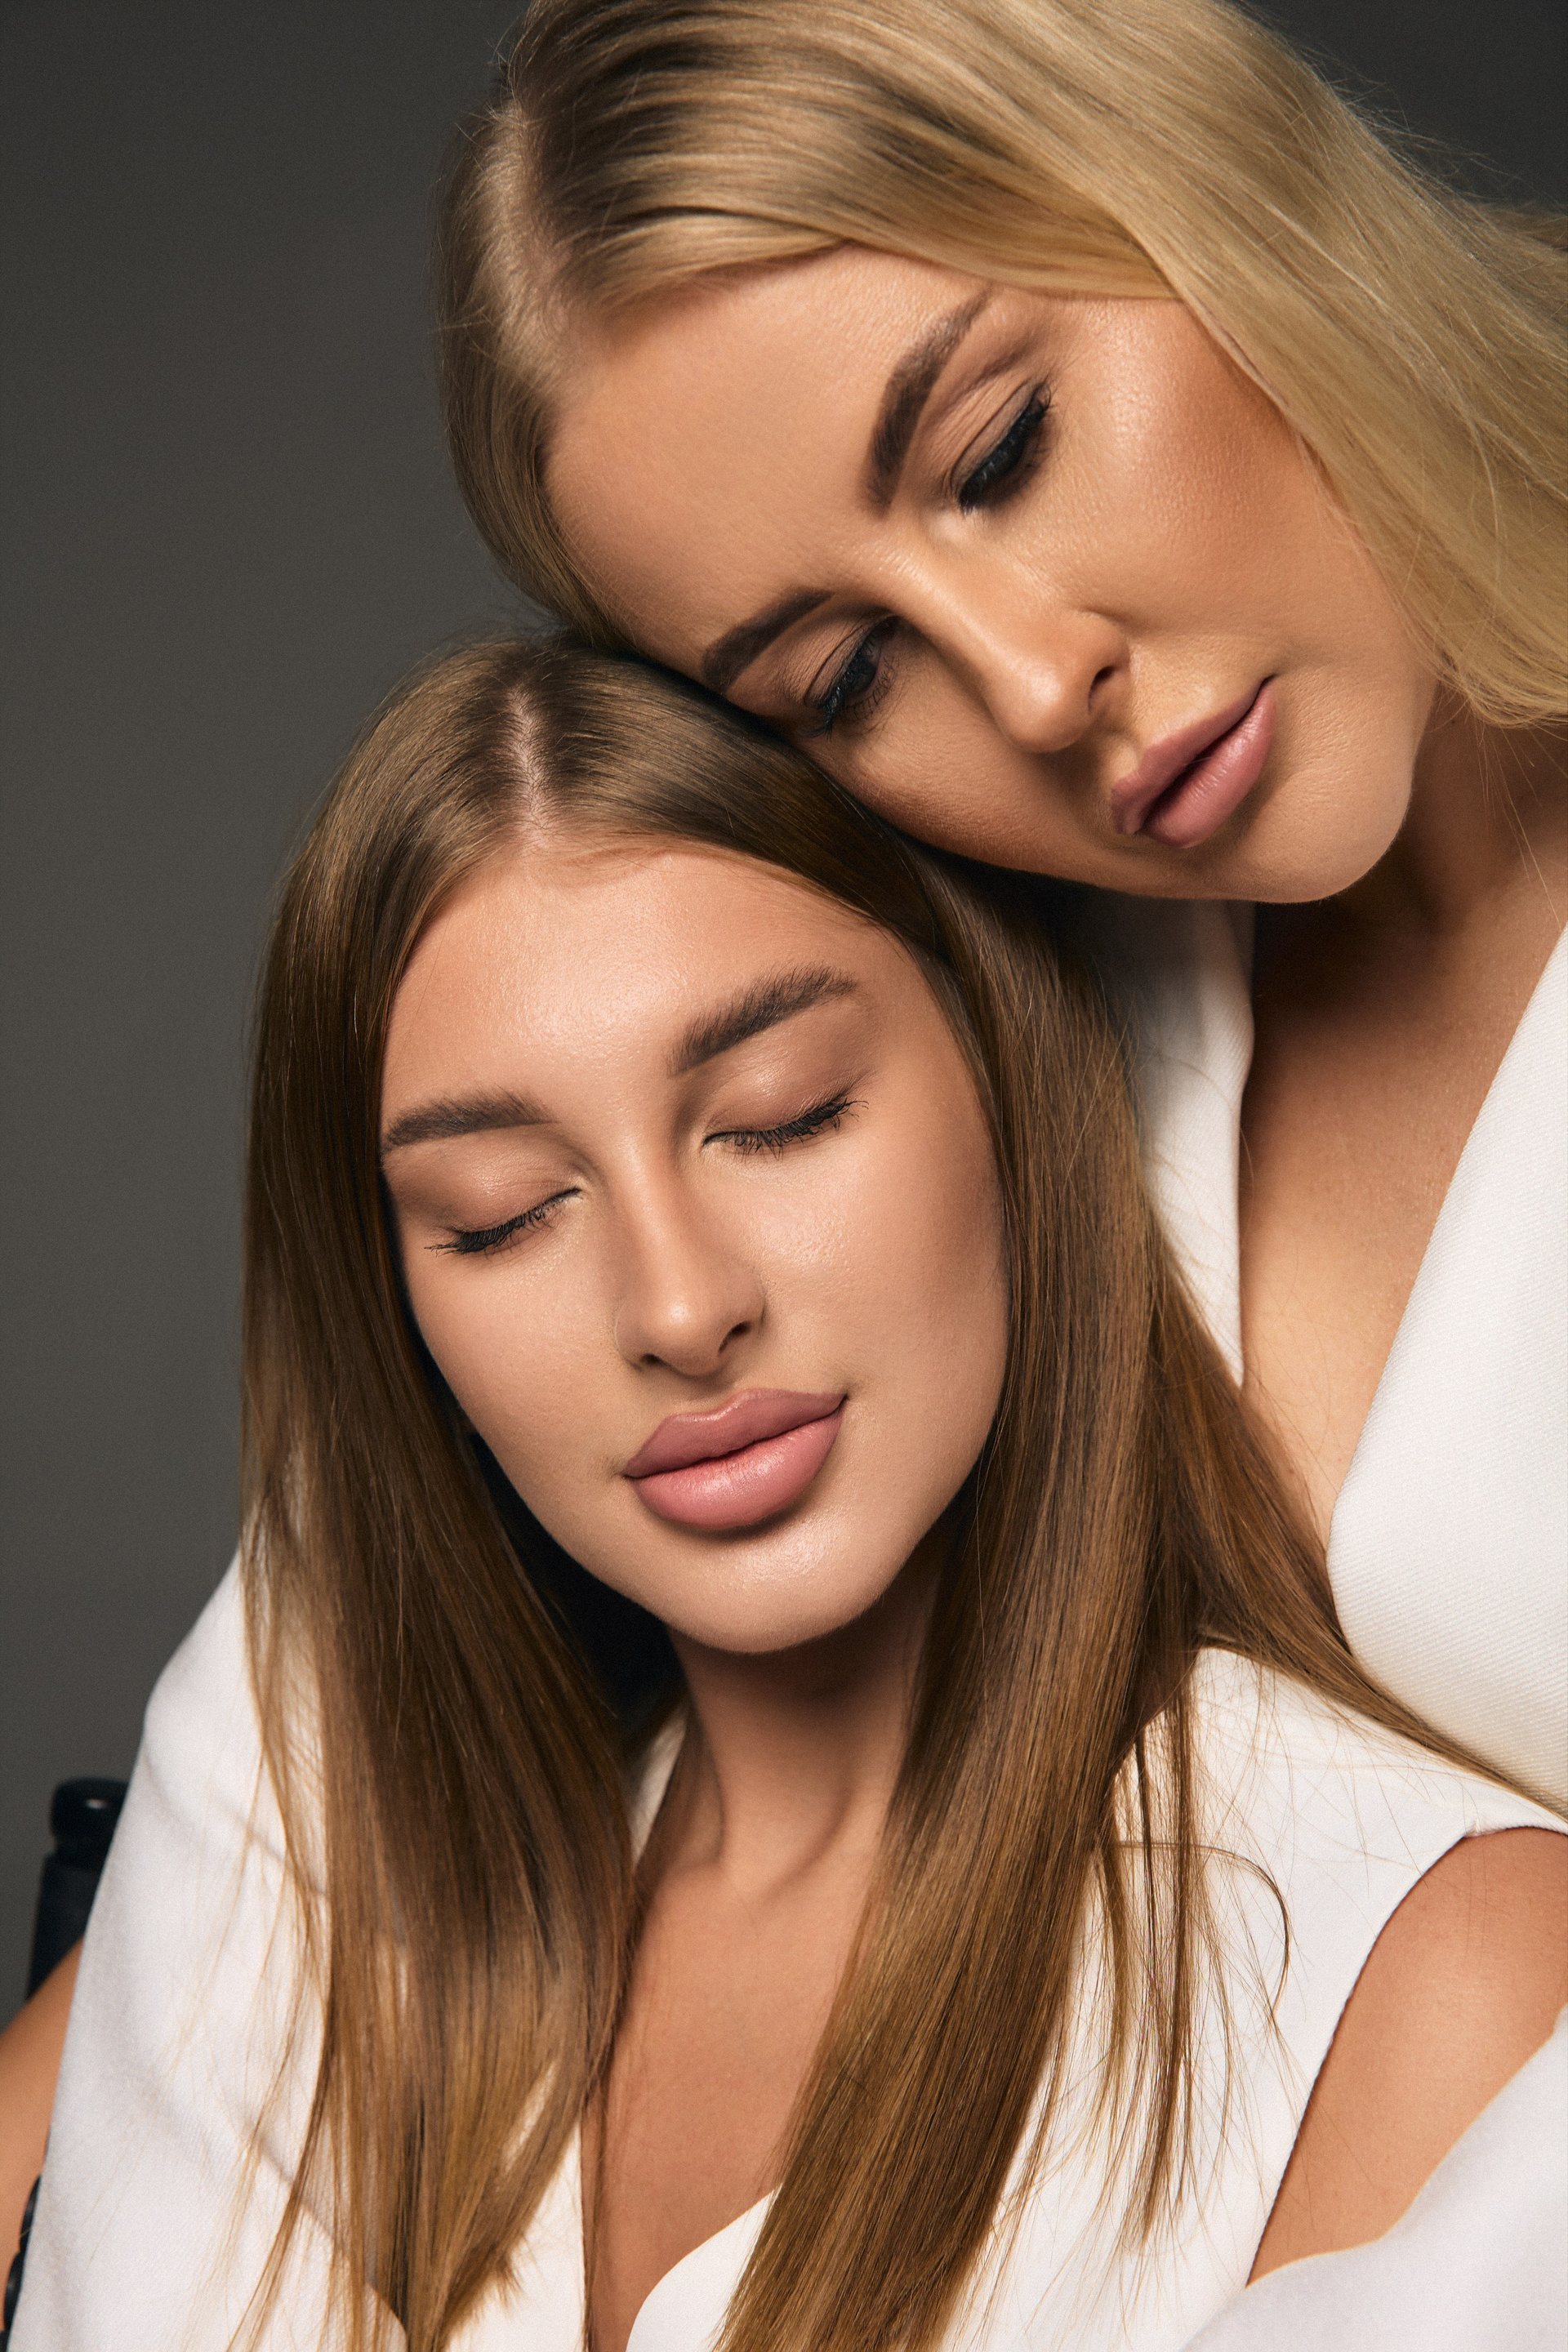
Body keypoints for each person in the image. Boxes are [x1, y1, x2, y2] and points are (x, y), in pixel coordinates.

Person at [9, 640, 1562, 2350]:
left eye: (781, 1116)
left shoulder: (1423, 1971)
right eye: (504, 1213)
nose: (682, 1309)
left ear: (1010, 1079)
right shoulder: (301, 1913)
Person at [435, 0, 1567, 1809]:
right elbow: (331, 1698)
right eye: (846, 676)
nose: (1036, 689)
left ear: (1201, 171)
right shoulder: (930, 1029)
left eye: (1000, 453)